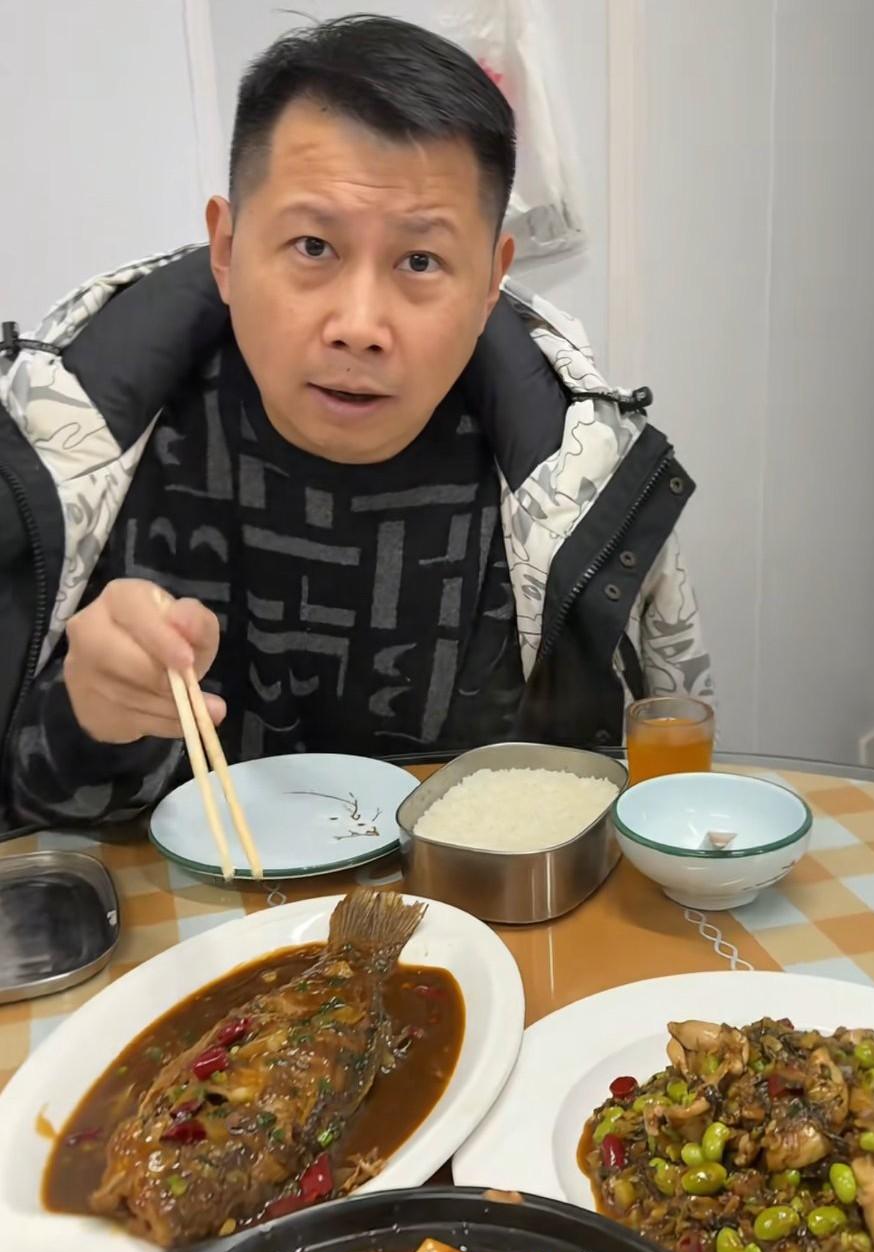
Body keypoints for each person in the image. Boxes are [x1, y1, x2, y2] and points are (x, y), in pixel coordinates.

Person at [0, 15, 712, 833]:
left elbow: (645, 801)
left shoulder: (574, 483)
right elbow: (30, 820)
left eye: (420, 261)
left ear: (491, 280)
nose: (359, 326)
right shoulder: (74, 453)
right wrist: (89, 718)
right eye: (313, 247)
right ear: (226, 249)